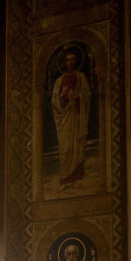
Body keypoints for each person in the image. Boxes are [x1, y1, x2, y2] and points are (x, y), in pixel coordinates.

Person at [52, 49, 92, 190]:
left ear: (76, 60)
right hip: (64, 119)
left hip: (77, 117)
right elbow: (54, 101)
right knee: (65, 148)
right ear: (64, 62)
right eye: (68, 59)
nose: (70, 62)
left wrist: (78, 96)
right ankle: (64, 181)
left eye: (73, 59)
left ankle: (75, 179)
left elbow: (87, 94)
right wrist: (62, 97)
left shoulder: (81, 77)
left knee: (77, 148)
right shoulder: (59, 81)